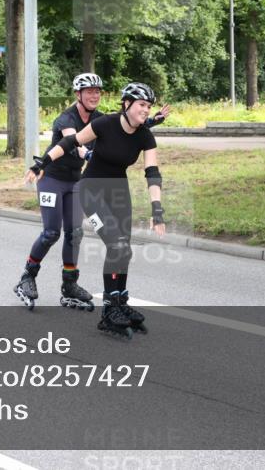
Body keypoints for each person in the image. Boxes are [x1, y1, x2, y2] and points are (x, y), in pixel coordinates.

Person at [26, 82, 166, 339]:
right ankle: (109, 313)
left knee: (125, 248)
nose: (146, 110)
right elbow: (71, 141)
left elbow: (152, 173)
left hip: (118, 191)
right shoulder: (106, 124)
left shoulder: (145, 135)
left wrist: (157, 208)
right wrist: (41, 164)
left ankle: (120, 302)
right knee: (116, 245)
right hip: (92, 190)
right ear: (127, 104)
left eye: (148, 106)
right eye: (141, 105)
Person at [13, 73, 104, 312]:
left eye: (97, 91)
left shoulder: (100, 119)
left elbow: (120, 130)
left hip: (74, 182)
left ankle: (69, 285)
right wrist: (89, 155)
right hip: (51, 179)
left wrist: (145, 122)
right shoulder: (66, 118)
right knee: (52, 233)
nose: (94, 95)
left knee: (74, 233)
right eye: (89, 91)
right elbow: (75, 142)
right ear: (78, 95)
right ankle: (27, 277)